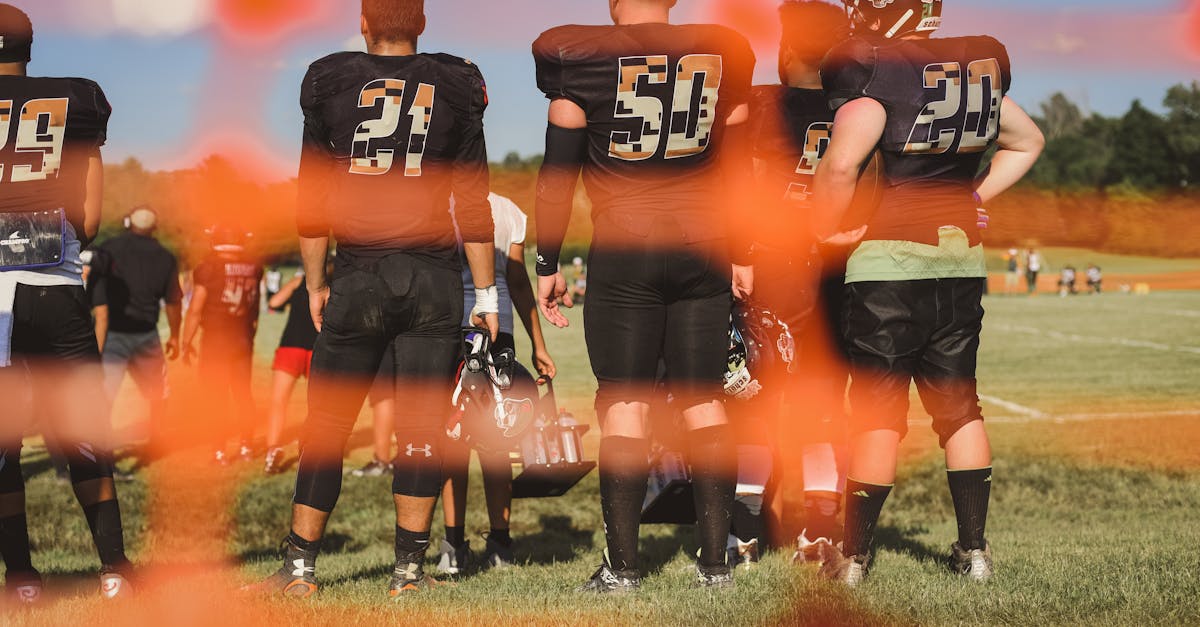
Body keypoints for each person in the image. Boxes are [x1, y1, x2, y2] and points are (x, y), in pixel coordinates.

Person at [252, 0, 499, 598]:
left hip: (358, 271)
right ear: (421, 23)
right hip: (434, 278)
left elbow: (311, 205)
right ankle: (408, 572)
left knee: (328, 425)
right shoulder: (458, 82)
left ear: (364, 24)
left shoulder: (330, 79)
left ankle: (300, 568)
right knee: (421, 427)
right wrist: (487, 292)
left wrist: (315, 282)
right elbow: (473, 204)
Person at [812, 0, 1045, 586]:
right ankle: (975, 553)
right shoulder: (972, 68)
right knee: (959, 406)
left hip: (890, 261)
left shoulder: (871, 68)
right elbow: (1028, 140)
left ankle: (855, 559)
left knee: (877, 415)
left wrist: (824, 228)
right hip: (960, 258)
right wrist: (974, 199)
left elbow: (841, 166)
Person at [532, 0, 755, 591]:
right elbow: (738, 168)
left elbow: (557, 176)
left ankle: (624, 570)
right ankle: (715, 567)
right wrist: (744, 251)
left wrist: (547, 261)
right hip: (703, 243)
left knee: (626, 402)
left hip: (626, 245)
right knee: (705, 400)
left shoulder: (578, 57)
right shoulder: (721, 52)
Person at [0, 3, 134, 602]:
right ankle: (114, 572)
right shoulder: (77, 101)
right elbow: (94, 218)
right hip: (55, 286)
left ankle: (22, 578)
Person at [739, 0, 860, 564]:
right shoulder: (858, 108)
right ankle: (819, 527)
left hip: (775, 265)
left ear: (786, 50)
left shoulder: (764, 103)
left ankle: (742, 531)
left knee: (757, 401)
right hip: (839, 269)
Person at [436, 192, 557, 575]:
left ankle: (452, 547)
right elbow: (518, 283)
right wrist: (538, 345)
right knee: (497, 440)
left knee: (451, 438)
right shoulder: (508, 211)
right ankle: (500, 545)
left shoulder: (440, 205)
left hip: (450, 329)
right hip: (498, 331)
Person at [89, 206, 184, 459]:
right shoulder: (165, 256)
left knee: (104, 396)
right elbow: (174, 301)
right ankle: (156, 441)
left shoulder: (109, 247)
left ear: (128, 222)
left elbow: (92, 283)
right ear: (154, 228)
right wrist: (175, 336)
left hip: (113, 333)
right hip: (146, 333)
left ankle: (99, 450)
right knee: (158, 394)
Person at [180, 226, 263, 465]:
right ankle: (246, 446)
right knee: (243, 394)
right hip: (242, 338)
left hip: (216, 341)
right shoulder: (253, 267)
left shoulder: (209, 268)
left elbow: (195, 310)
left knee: (216, 397)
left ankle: (219, 451)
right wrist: (250, 334)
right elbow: (255, 307)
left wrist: (186, 342)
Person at [263, 267, 318, 474]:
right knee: (317, 405)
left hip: (291, 345)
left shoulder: (298, 281)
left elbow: (274, 302)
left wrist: (294, 283)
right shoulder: (332, 284)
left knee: (278, 402)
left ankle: (271, 451)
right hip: (318, 348)